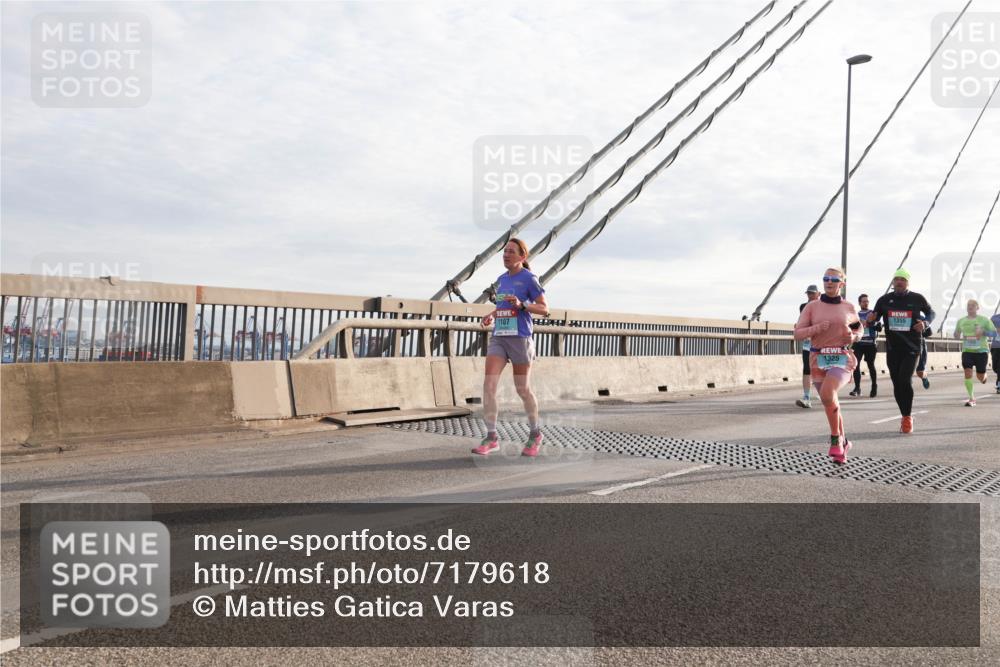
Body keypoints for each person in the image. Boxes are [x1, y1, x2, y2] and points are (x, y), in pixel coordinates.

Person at [473, 238, 550, 457]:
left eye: (511, 252)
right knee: (488, 385)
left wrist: (523, 304)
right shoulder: (501, 280)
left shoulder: (529, 279)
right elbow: (504, 306)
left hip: (520, 338)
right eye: (504, 251)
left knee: (522, 389)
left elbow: (544, 308)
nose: (506, 255)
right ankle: (491, 437)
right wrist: (492, 314)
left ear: (522, 257)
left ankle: (535, 434)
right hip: (500, 336)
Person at [794, 267, 862, 464]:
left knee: (826, 394)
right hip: (818, 359)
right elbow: (798, 334)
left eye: (833, 279)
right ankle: (844, 443)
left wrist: (854, 336)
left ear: (842, 283)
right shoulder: (812, 307)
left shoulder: (848, 307)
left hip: (841, 359)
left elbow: (859, 328)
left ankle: (834, 441)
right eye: (826, 279)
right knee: (830, 401)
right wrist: (817, 328)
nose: (829, 282)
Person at [866, 268, 935, 433]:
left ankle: (907, 417)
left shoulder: (917, 298)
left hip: (912, 347)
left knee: (905, 380)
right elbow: (874, 319)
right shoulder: (884, 300)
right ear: (893, 282)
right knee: (897, 383)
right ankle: (904, 414)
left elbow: (931, 313)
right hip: (893, 347)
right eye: (896, 279)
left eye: (902, 279)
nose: (899, 282)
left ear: (907, 282)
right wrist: (871, 320)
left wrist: (925, 324)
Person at [953, 299, 997, 407]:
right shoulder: (961, 321)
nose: (970, 307)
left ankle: (984, 377)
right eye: (968, 305)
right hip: (967, 351)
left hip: (981, 351)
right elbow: (956, 333)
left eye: (973, 305)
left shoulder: (984, 320)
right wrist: (956, 334)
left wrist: (983, 332)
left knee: (980, 376)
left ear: (977, 308)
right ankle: (972, 398)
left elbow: (994, 333)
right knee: (967, 372)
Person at [795, 284, 821, 408]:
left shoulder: (824, 307)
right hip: (808, 343)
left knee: (822, 369)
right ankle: (806, 397)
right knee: (807, 369)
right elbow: (803, 322)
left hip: (822, 343)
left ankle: (826, 392)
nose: (810, 296)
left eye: (812, 293)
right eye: (808, 293)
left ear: (818, 294)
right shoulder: (803, 307)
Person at [849, 293, 879, 397]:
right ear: (859, 303)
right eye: (863, 301)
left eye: (867, 301)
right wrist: (859, 323)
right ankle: (857, 388)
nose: (866, 303)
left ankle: (874, 386)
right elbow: (851, 328)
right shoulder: (856, 315)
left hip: (870, 343)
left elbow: (879, 327)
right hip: (859, 343)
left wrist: (871, 323)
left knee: (871, 365)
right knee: (856, 365)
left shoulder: (873, 313)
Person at [914, 322, 932, 389]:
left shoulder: (918, 315)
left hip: (918, 344)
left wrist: (921, 329)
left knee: (920, 372)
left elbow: (929, 332)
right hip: (900, 345)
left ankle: (924, 377)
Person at [992, 310, 1000, 394]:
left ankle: (999, 385)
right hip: (995, 346)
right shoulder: (994, 318)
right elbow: (987, 329)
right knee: (995, 368)